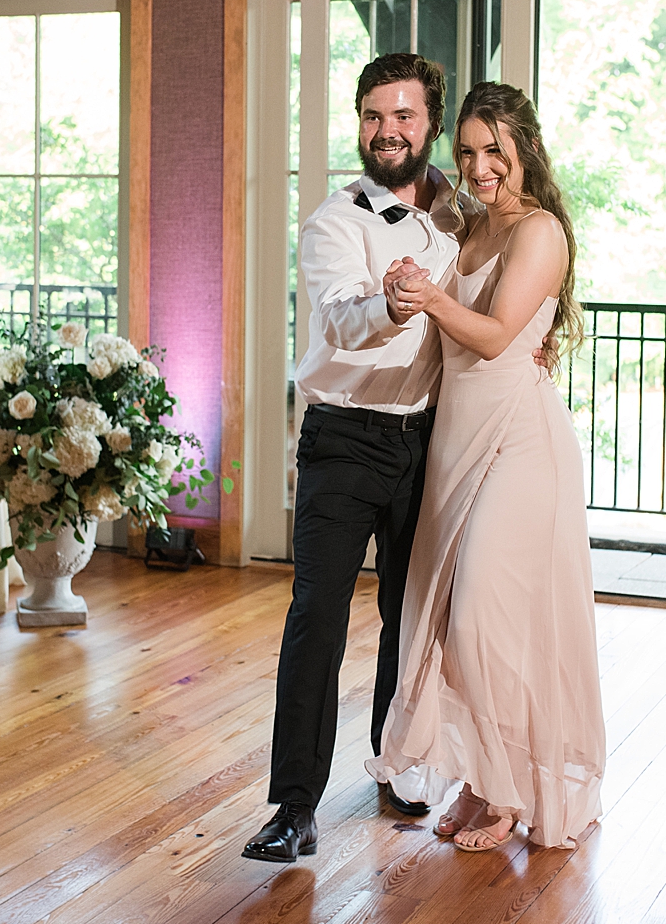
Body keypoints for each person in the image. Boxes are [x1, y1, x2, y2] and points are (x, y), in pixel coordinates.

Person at [366, 82, 607, 851]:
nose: (477, 167)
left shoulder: (537, 232)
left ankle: (506, 792)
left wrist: (432, 298)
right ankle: (480, 780)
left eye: (492, 151)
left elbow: (500, 335)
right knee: (450, 618)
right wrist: (407, 286)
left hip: (518, 440)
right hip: (455, 440)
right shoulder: (467, 226)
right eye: (467, 152)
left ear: (522, 148)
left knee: (480, 616)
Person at [241, 53, 466, 863]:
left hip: (429, 437)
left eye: (403, 116)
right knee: (316, 619)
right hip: (343, 438)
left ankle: (398, 762)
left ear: (429, 123)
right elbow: (339, 320)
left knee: (411, 616)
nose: (386, 131)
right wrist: (391, 303)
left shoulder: (463, 215)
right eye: (373, 116)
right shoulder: (336, 221)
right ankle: (293, 805)